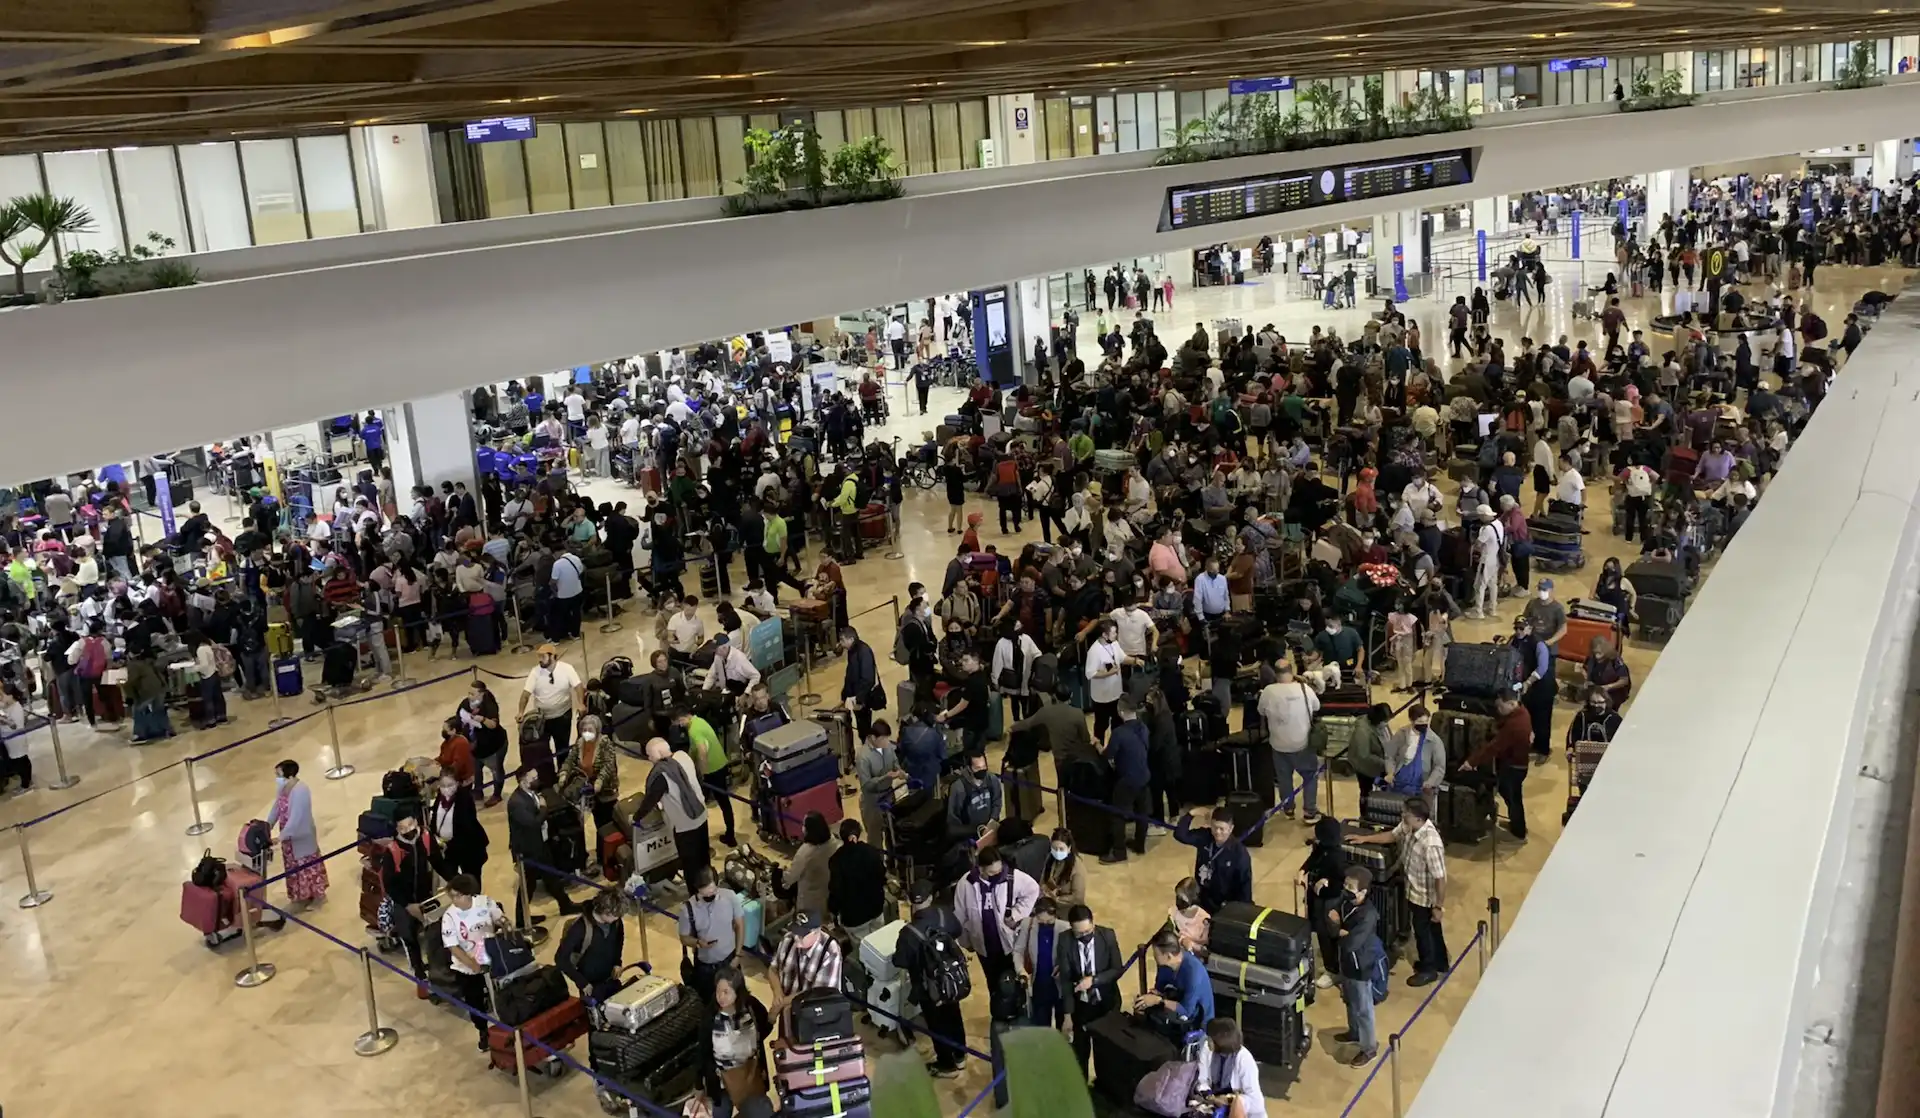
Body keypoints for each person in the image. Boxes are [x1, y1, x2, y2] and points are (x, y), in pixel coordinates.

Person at [1349, 798, 1449, 985]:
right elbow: (1392, 836)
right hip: (1413, 890)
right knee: (1430, 930)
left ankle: (1429, 969)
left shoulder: (1431, 843)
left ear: (1419, 818)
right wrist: (1365, 839)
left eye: (1407, 814)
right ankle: (1440, 962)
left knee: (1423, 932)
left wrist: (1438, 906)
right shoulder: (1409, 826)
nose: (1403, 816)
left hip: (1425, 898)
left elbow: (1440, 878)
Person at [894, 877, 970, 1078]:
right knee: (954, 1015)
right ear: (931, 897)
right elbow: (958, 931)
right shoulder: (944, 915)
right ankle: (960, 1055)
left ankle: (947, 1065)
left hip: (928, 988)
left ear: (911, 902)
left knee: (937, 1025)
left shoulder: (908, 933)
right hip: (951, 979)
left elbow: (899, 961)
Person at [687, 965, 776, 1118]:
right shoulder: (710, 1016)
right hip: (721, 1081)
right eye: (718, 991)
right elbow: (703, 1051)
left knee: (758, 1110)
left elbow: (762, 1030)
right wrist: (699, 1085)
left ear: (738, 991)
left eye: (726, 992)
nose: (721, 997)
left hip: (749, 1074)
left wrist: (773, 1017)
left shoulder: (751, 1006)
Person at [953, 843, 1040, 992]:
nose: (998, 874)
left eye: (999, 870)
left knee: (1013, 982)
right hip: (983, 945)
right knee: (992, 983)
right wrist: (965, 941)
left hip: (1009, 943)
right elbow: (960, 915)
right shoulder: (965, 884)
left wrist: (1016, 914)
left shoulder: (1012, 876)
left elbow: (1033, 890)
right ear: (980, 869)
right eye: (992, 872)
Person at [629, 735, 714, 883]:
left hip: (685, 825)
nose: (649, 759)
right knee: (703, 858)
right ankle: (710, 883)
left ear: (658, 754)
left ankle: (696, 895)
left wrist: (636, 818)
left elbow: (650, 801)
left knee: (691, 866)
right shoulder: (683, 756)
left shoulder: (662, 774)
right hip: (701, 815)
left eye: (649, 755)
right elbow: (698, 778)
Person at [441, 873, 509, 1050]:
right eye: (452, 896)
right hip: (467, 966)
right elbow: (453, 946)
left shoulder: (485, 903)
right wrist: (473, 965)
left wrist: (505, 924)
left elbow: (499, 919)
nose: (454, 900)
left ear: (468, 893)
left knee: (504, 993)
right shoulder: (449, 917)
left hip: (492, 957)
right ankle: (483, 1031)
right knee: (474, 1001)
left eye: (458, 895)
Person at [506, 766, 582, 923]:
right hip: (529, 851)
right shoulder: (517, 802)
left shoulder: (531, 793)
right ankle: (522, 919)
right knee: (528, 886)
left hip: (541, 845)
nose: (537, 780)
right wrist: (543, 808)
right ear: (522, 781)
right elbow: (533, 823)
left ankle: (565, 904)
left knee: (552, 877)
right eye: (533, 778)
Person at [1331, 866, 1387, 1067]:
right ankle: (1354, 1032)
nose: (1345, 889)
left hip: (1361, 965)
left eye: (1350, 886)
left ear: (1363, 892)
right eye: (1345, 884)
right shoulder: (1345, 902)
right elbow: (1330, 918)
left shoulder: (1368, 915)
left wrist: (1339, 929)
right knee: (1349, 1000)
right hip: (1346, 963)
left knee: (1364, 1008)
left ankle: (1369, 1048)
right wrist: (1341, 930)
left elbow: (1353, 942)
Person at [1258, 660, 1321, 822]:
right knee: (1309, 776)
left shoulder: (1268, 691)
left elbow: (1261, 711)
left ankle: (1288, 809)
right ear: (1291, 671)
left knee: (1284, 778)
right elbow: (1316, 707)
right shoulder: (1304, 689)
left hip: (1278, 744)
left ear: (1275, 673)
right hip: (1303, 743)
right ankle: (1309, 812)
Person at [679, 865, 747, 1002]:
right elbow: (684, 938)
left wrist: (738, 955)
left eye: (712, 892)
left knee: (738, 1000)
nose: (709, 896)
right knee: (706, 1004)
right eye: (705, 895)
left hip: (730, 960)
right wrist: (698, 943)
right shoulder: (688, 909)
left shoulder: (730, 897)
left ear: (717, 884)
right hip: (705, 967)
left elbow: (740, 925)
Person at [265, 759, 328, 906]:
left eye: (279, 774)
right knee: (294, 865)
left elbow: (296, 819)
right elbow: (276, 808)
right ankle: (302, 895)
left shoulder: (301, 791)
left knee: (306, 865)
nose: (277, 778)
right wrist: (267, 825)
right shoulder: (283, 788)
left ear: (290, 775)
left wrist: (280, 837)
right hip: (288, 837)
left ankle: (317, 896)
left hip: (300, 835)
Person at [1173, 805, 1253, 914]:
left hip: (1224, 905)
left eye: (1222, 829)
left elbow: (1245, 885)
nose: (1217, 832)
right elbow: (1180, 835)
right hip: (1202, 899)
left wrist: (1242, 911)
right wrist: (1192, 813)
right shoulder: (1205, 837)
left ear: (1231, 829)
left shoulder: (1239, 853)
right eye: (1215, 827)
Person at [517, 643, 584, 774]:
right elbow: (525, 695)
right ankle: (548, 777)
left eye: (543, 656)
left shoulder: (567, 669)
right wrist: (520, 711)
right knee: (543, 750)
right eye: (539, 656)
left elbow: (578, 686)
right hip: (542, 719)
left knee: (562, 748)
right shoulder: (535, 672)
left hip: (562, 716)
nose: (540, 659)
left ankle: (563, 774)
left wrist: (580, 703)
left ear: (553, 656)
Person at [676, 706, 738, 847]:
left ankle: (701, 840)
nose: (680, 725)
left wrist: (702, 773)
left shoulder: (694, 730)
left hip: (712, 771)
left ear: (686, 717)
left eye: (680, 721)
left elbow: (702, 751)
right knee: (724, 803)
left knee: (700, 804)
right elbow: (694, 748)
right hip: (721, 765)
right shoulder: (700, 721)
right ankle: (730, 835)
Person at [1137, 927, 1213, 1040]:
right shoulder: (1165, 966)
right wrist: (1152, 996)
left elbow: (1186, 1012)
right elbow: (1160, 988)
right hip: (1173, 1015)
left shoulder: (1194, 972)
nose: (1153, 957)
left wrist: (1158, 1000)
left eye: (1156, 954)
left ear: (1168, 956)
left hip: (1196, 1026)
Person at [1101, 696, 1151, 862]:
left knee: (1117, 814)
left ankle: (1119, 852)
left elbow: (1108, 755)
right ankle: (1140, 844)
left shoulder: (1119, 733)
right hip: (1144, 776)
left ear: (1120, 712)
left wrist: (1097, 745)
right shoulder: (1143, 727)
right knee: (1142, 812)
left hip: (1127, 779)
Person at [769, 907, 843, 1017]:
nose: (796, 938)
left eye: (802, 935)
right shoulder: (788, 939)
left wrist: (779, 1004)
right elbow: (773, 968)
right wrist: (778, 993)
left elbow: (816, 995)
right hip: (787, 1010)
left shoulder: (830, 952)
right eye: (795, 932)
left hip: (812, 1015)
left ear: (816, 932)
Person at [827, 817, 891, 942]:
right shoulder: (871, 851)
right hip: (876, 908)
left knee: (863, 950)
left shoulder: (836, 860)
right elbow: (882, 876)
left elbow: (836, 890)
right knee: (881, 943)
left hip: (854, 917)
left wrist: (833, 910)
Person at [557, 890, 627, 1002]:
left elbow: (619, 941)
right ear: (605, 911)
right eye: (615, 916)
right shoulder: (579, 928)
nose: (617, 918)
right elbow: (560, 959)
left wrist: (617, 963)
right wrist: (582, 982)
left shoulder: (616, 922)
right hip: (590, 985)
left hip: (611, 979)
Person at [1195, 1016, 1268, 1118]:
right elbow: (1202, 1080)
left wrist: (1229, 1100)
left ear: (1221, 1041)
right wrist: (1210, 1096)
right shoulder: (1207, 1049)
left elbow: (1255, 1101)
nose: (1207, 1041)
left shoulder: (1244, 1059)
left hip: (1237, 1107)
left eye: (1210, 1038)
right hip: (1213, 1101)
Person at [426, 767, 489, 881]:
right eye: (443, 785)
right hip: (448, 850)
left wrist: (447, 844)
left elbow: (466, 828)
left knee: (471, 881)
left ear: (457, 783)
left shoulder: (465, 799)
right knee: (452, 879)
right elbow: (435, 818)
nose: (446, 789)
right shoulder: (440, 798)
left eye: (450, 785)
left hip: (468, 849)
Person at [1013, 896, 1065, 1027]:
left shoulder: (1065, 928)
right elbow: (1018, 951)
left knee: (1063, 1025)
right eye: (1041, 922)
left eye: (1049, 921)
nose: (1045, 924)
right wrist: (1021, 971)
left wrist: (1063, 968)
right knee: (1041, 1024)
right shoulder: (1027, 924)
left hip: (1060, 986)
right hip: (1038, 985)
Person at [458, 679, 510, 807]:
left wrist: (482, 719)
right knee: (476, 768)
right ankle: (478, 791)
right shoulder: (465, 703)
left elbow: (493, 724)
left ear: (481, 694)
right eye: (469, 693)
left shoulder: (490, 705)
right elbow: (459, 716)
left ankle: (497, 794)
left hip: (493, 746)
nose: (469, 696)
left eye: (473, 694)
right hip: (476, 747)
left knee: (496, 770)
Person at [785, 811, 840, 922]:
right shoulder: (835, 842)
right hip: (830, 891)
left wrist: (783, 874)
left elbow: (791, 877)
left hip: (810, 898)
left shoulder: (805, 853)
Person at [853, 721, 902, 842]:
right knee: (875, 838)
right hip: (872, 802)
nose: (887, 742)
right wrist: (885, 777)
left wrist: (900, 771)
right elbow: (866, 785)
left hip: (889, 796)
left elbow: (895, 762)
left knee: (892, 833)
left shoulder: (888, 747)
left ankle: (892, 860)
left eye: (887, 738)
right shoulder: (863, 756)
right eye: (883, 739)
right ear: (873, 738)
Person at [1084, 619, 1130, 743]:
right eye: (1114, 633)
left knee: (1118, 724)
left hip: (1116, 693)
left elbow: (1122, 658)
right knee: (1101, 726)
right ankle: (1098, 752)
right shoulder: (1094, 651)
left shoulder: (1114, 644)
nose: (1116, 635)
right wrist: (1109, 673)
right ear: (1104, 635)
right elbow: (1090, 673)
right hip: (1102, 698)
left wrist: (1135, 661)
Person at [946, 747, 1003, 839]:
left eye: (984, 766)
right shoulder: (958, 788)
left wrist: (992, 822)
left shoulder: (992, 780)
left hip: (989, 828)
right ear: (968, 768)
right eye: (977, 768)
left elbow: (997, 801)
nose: (982, 770)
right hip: (968, 833)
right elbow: (953, 818)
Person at [839, 626, 882, 740]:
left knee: (864, 727)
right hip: (856, 696)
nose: (841, 643)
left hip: (863, 698)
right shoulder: (852, 651)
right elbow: (850, 674)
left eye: (843, 640)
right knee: (861, 726)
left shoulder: (863, 652)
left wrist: (857, 698)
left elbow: (868, 679)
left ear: (851, 639)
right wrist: (845, 695)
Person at [1040, 826, 1087, 910]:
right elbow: (1042, 880)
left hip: (1068, 908)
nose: (1057, 852)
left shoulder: (1077, 868)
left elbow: (1077, 897)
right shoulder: (1049, 858)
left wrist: (1056, 899)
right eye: (1054, 848)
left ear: (1069, 848)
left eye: (1061, 849)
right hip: (1049, 902)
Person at [1168, 876, 1211, 957]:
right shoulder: (1173, 913)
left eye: (1182, 899)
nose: (1178, 902)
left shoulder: (1204, 919)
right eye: (1177, 897)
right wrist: (1182, 940)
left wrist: (1192, 945)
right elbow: (1172, 935)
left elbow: (1205, 944)